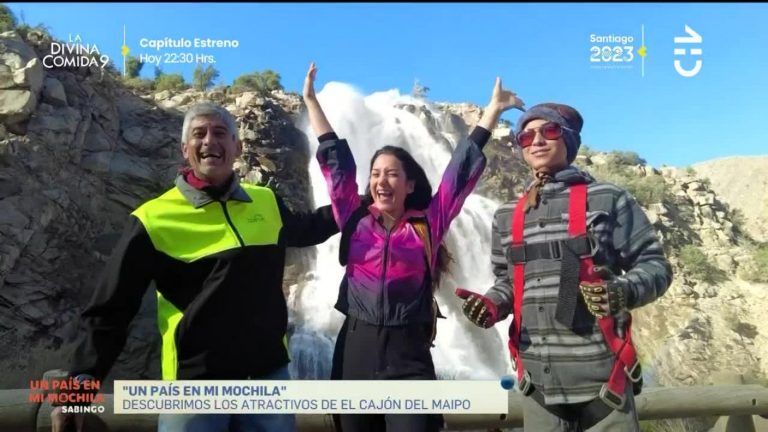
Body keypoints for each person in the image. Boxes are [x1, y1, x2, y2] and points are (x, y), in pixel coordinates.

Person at [51, 102, 339, 432]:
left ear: (237, 147)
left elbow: (309, 228)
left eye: (220, 133)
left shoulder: (266, 201)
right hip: (194, 385)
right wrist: (77, 390)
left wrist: (370, 201)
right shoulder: (153, 218)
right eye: (199, 134)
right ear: (185, 149)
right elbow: (111, 309)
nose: (209, 141)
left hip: (267, 375)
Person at [303, 62, 524, 432]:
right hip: (356, 349)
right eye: (376, 174)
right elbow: (336, 164)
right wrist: (311, 101)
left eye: (392, 173)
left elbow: (458, 174)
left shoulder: (428, 224)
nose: (381, 180)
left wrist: (492, 112)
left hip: (409, 353)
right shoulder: (354, 217)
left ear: (409, 185)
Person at [456, 102, 673, 431]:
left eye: (550, 130)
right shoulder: (507, 215)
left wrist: (622, 291)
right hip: (538, 390)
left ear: (568, 139)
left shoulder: (608, 198)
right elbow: (509, 282)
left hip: (605, 389)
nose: (537, 140)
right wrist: (492, 304)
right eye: (526, 136)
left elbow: (656, 266)